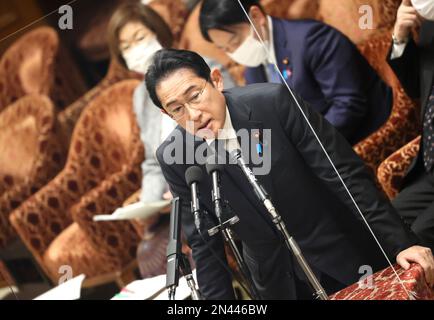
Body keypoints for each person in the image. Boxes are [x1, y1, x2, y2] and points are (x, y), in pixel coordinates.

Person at [144, 48, 434, 299]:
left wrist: (400, 244)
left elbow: (344, 175)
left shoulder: (274, 103)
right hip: (278, 283)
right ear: (168, 116)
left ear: (216, 81)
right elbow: (204, 243)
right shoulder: (176, 157)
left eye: (195, 96)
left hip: (346, 254)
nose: (193, 115)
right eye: (177, 109)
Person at [199, 0, 393, 145]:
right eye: (225, 49)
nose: (234, 53)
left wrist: (306, 148)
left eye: (234, 42)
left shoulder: (313, 40)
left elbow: (348, 105)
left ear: (256, 17)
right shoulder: (254, 71)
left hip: (363, 134)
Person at [388, 0, 434, 252]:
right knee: (388, 228)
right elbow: (417, 88)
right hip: (429, 168)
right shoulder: (428, 26)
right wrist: (400, 36)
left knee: (416, 242)